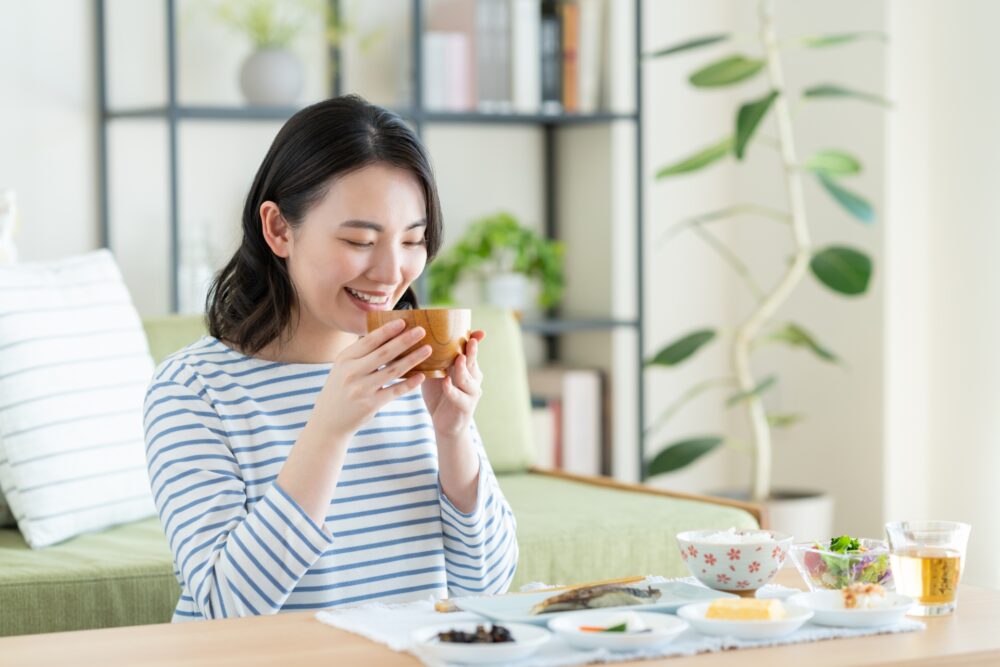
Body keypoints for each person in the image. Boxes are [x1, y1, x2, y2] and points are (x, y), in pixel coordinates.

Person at [143, 95, 518, 621]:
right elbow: (224, 611)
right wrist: (329, 430)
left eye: (413, 239)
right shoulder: (194, 391)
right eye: (360, 240)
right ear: (278, 229)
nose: (392, 273)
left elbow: (490, 587)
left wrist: (454, 436)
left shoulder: (416, 371)